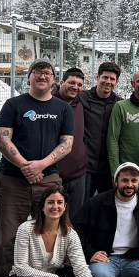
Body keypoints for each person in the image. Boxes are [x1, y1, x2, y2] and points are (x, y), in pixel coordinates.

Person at [0, 59, 75, 277]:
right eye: (37, 72)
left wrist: (41, 164)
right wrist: (25, 166)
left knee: (52, 234)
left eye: (48, 72)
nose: (42, 76)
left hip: (48, 180)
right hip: (13, 179)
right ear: (28, 78)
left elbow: (67, 143)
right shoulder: (14, 104)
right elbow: (2, 139)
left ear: (54, 79)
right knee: (6, 238)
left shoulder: (63, 108)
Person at [7, 185, 105, 277]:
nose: (55, 206)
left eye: (59, 203)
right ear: (42, 206)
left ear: (65, 207)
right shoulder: (25, 229)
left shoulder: (70, 234)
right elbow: (21, 268)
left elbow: (82, 268)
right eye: (50, 202)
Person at [76, 61, 122, 197]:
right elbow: (62, 98)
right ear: (97, 77)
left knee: (107, 209)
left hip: (109, 168)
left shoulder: (119, 104)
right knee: (83, 208)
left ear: (117, 82)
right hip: (86, 167)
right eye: (105, 77)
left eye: (112, 79)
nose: (108, 82)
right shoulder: (82, 98)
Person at [51, 68, 89, 217]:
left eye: (79, 84)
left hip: (78, 175)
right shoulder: (48, 103)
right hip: (53, 175)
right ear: (61, 83)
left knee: (74, 221)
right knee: (51, 220)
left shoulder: (80, 105)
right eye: (71, 82)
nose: (75, 87)